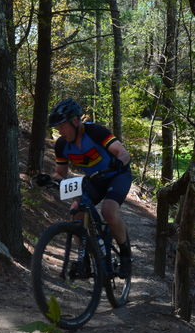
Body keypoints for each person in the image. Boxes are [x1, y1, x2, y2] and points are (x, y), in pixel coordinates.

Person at [38, 98, 133, 277]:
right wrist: (48, 179)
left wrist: (119, 163)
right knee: (76, 211)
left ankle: (126, 255)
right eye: (57, 128)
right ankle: (86, 261)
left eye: (62, 126)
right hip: (95, 179)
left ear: (75, 121)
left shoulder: (96, 132)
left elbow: (123, 153)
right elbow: (60, 174)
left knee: (109, 212)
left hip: (117, 176)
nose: (59, 131)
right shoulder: (62, 144)